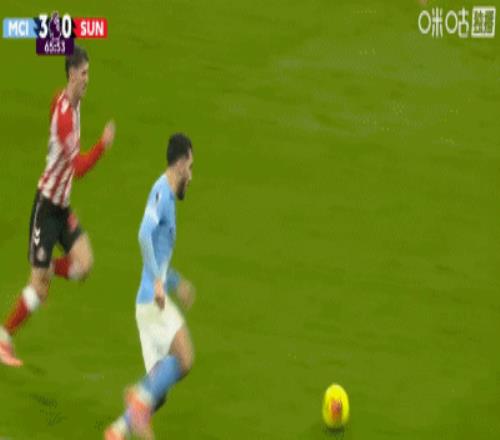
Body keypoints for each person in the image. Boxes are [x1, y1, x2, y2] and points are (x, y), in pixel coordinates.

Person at [0, 45, 116, 367]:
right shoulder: (65, 118)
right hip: (46, 209)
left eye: (89, 73)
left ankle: (48, 267)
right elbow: (78, 168)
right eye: (83, 73)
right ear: (71, 74)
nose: (87, 79)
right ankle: (3, 337)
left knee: (84, 264)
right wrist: (103, 145)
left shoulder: (71, 104)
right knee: (39, 290)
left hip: (62, 208)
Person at [105, 133, 196, 440]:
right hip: (151, 300)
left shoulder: (167, 196)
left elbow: (157, 255)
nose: (191, 176)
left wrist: (175, 282)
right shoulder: (161, 192)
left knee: (158, 395)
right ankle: (138, 395)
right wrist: (159, 283)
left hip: (149, 301)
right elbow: (143, 235)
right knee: (184, 357)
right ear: (180, 164)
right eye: (190, 168)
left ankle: (118, 430)